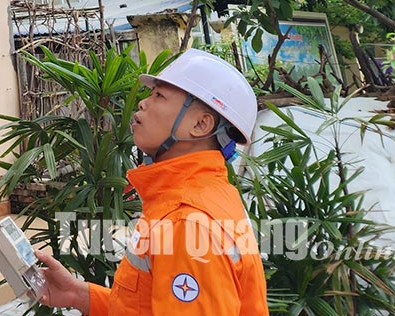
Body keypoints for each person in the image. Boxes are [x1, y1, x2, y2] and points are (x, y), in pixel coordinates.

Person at [34, 49, 267, 315]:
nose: (143, 102)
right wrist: (77, 293)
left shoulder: (186, 221)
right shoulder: (201, 196)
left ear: (201, 125)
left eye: (159, 95)